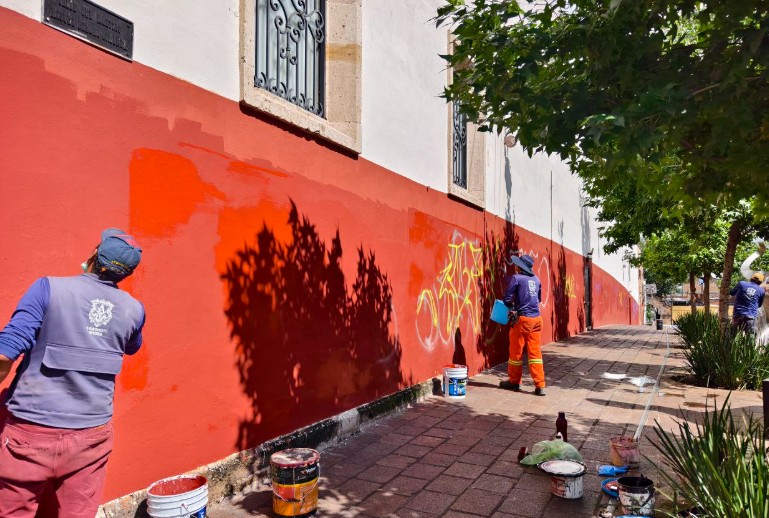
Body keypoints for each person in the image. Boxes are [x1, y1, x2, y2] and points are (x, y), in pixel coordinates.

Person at [0, 229, 145, 517]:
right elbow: (131, 347)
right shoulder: (134, 310)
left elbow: (5, 352)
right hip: (92, 436)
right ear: (126, 273)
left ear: (94, 254)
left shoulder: (48, 288)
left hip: (30, 432)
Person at [498, 254, 546, 395]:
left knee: (516, 352)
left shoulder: (517, 278)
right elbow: (537, 299)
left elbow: (506, 298)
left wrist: (512, 306)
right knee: (535, 353)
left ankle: (514, 381)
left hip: (522, 320)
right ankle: (540, 385)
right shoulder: (536, 280)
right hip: (537, 320)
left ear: (520, 266)